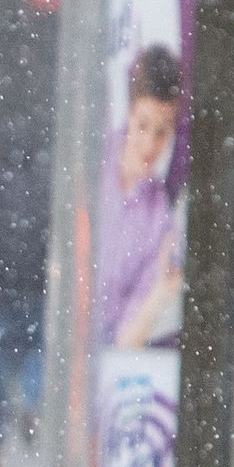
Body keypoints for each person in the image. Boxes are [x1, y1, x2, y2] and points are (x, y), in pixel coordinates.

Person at [92, 43, 187, 351]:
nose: (149, 144)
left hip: (91, 364)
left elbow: (124, 342)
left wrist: (160, 293)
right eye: (143, 125)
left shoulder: (160, 222)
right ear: (129, 111)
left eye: (162, 132)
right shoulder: (91, 158)